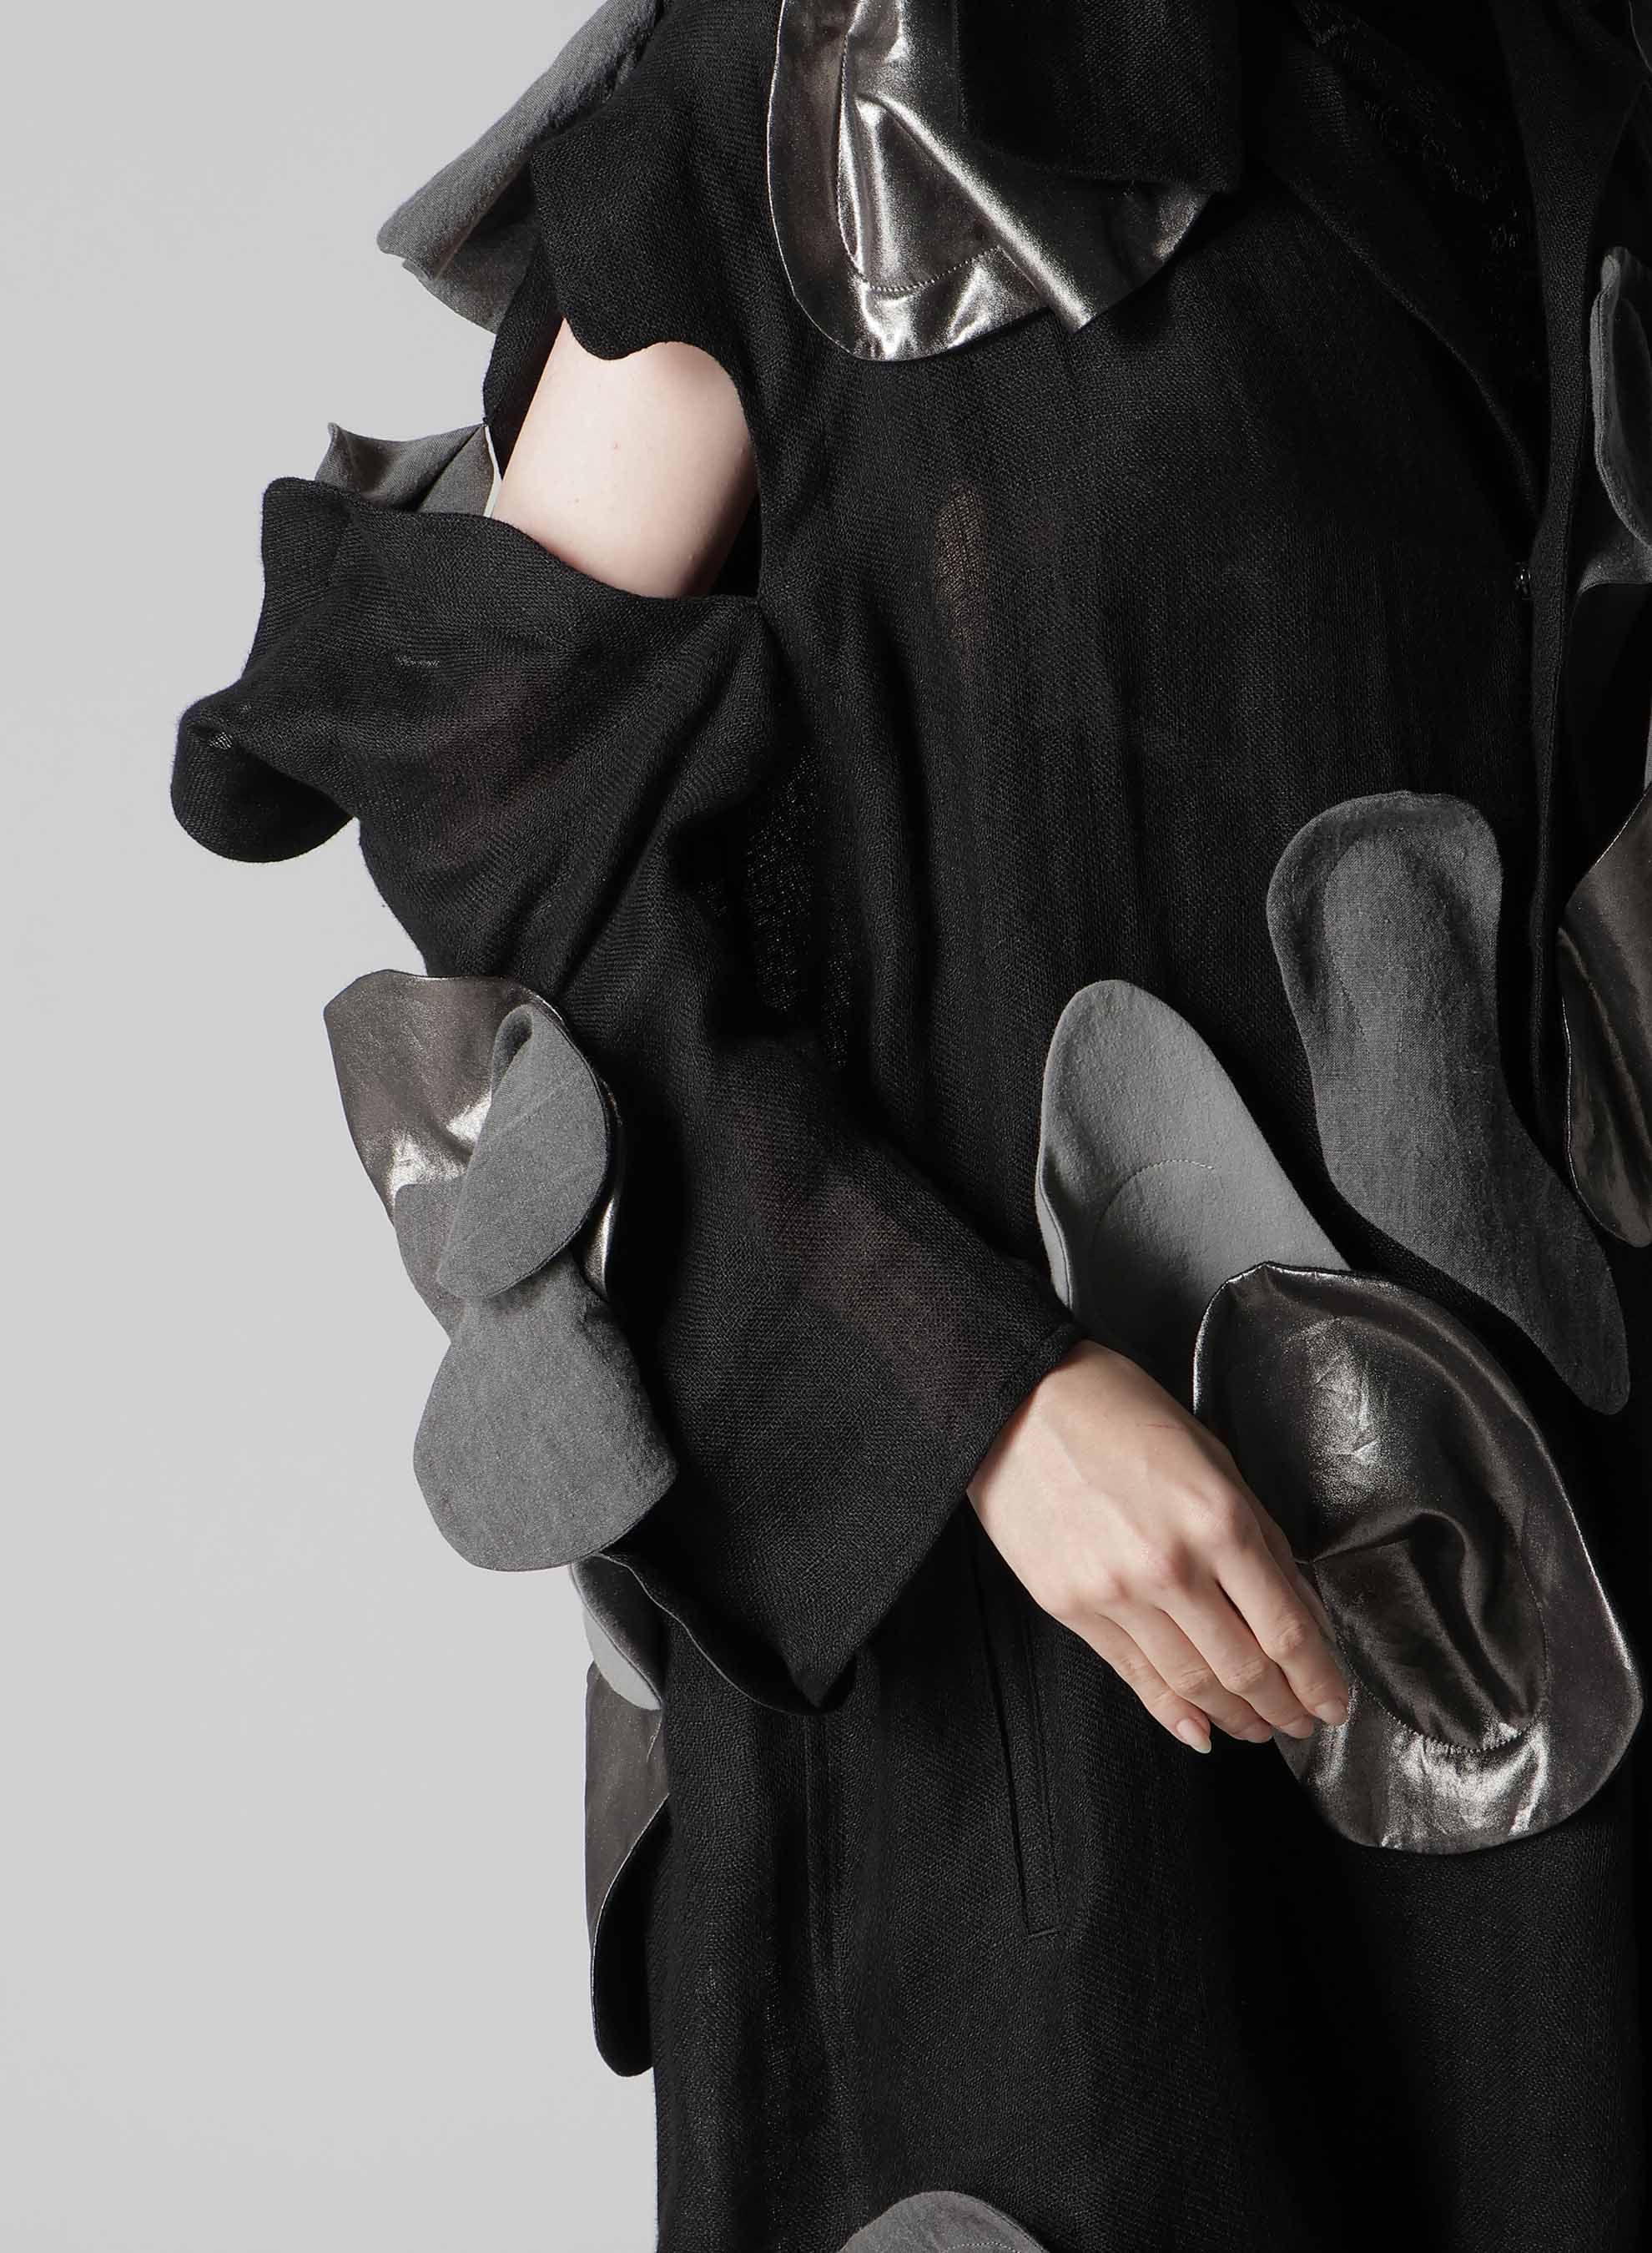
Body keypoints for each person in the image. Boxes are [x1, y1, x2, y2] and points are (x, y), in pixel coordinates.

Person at [172, 0, 1652, 2245]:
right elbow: (504, 829)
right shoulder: (805, 76)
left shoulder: (1564, 69)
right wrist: (971, 1396)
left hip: (1556, 1687)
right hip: (1037, 1709)